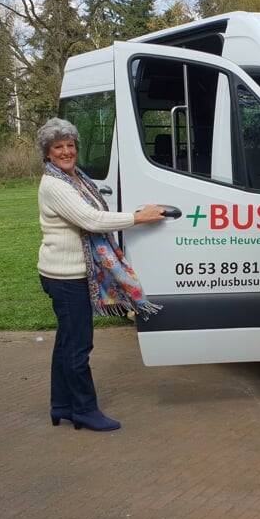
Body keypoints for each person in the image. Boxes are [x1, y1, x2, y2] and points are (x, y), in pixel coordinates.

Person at [36, 117, 167, 432]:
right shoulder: (55, 184)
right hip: (65, 276)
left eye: (70, 145)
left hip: (67, 273)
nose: (66, 151)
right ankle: (84, 409)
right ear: (47, 153)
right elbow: (91, 220)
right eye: (58, 147)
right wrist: (138, 218)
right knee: (79, 346)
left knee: (67, 342)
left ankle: (62, 405)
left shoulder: (74, 178)